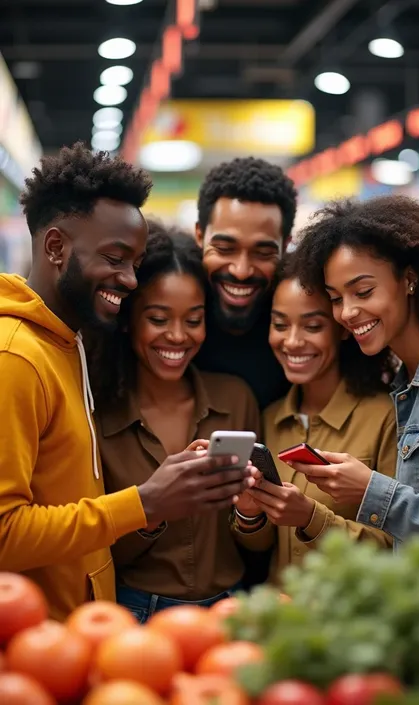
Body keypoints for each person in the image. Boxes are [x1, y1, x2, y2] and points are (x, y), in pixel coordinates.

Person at [0, 144, 254, 621]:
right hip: (36, 640)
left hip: (79, 632)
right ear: (56, 247)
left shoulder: (65, 344)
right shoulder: (15, 355)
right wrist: (145, 503)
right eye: (115, 258)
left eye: (135, 264)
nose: (130, 280)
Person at [88, 221, 263, 619]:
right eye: (159, 318)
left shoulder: (235, 400)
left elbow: (257, 545)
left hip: (229, 609)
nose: (178, 336)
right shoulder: (98, 414)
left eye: (194, 319)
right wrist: (154, 507)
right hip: (132, 612)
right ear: (129, 319)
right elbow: (98, 548)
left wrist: (251, 512)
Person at [289, 195, 419, 555]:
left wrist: (370, 491)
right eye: (336, 298)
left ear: (409, 280)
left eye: (363, 291)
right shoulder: (405, 377)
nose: (348, 312)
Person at [231, 260, 397, 580]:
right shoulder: (269, 417)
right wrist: (249, 514)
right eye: (280, 324)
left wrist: (311, 518)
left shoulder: (385, 416)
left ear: (341, 328)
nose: (292, 341)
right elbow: (263, 546)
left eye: (312, 326)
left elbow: (398, 546)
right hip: (282, 617)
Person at [194, 156, 298, 411]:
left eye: (263, 253)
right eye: (225, 248)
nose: (241, 271)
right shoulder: (169, 302)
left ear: (286, 245)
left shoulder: (302, 321)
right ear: (199, 235)